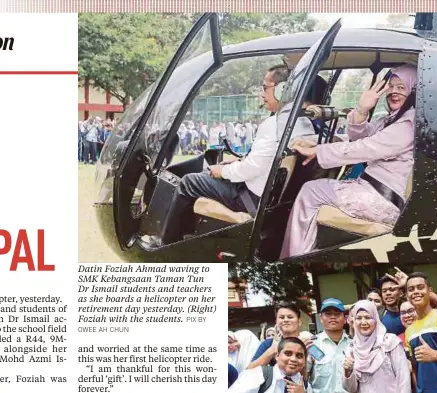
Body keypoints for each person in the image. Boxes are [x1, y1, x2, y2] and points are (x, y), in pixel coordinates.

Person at [157, 64, 326, 245]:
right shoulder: (304, 124)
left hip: (252, 198)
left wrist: (221, 171)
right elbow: (265, 160)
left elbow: (251, 169)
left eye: (265, 88)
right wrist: (237, 163)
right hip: (272, 198)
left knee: (189, 182)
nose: (262, 94)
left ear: (282, 90)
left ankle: (167, 242)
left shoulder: (274, 125)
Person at [280, 65, 417, 258]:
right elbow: (358, 137)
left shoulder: (408, 124)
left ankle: (296, 257)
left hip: (384, 198)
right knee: (313, 189)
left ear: (414, 91)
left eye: (401, 88)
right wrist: (362, 109)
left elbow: (365, 147)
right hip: (371, 189)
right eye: (391, 86)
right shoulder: (392, 119)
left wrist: (318, 151)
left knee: (310, 191)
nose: (394, 92)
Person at [342, 300, 411, 393]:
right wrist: (348, 371)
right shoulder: (351, 349)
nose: (363, 322)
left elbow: (403, 378)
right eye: (359, 318)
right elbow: (351, 389)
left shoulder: (389, 342)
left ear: (375, 319)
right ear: (354, 321)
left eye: (368, 317)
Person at [229, 337, 311, 393]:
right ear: (277, 356)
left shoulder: (304, 384)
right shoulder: (258, 375)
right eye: (288, 353)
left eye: (299, 356)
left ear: (304, 361)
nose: (293, 359)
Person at [304, 298, 351, 393]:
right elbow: (304, 377)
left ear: (345, 319)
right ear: (321, 318)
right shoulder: (312, 345)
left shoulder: (353, 344)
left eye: (337, 313)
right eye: (328, 314)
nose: (333, 317)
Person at [249, 302, 303, 369]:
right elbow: (249, 370)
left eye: (290, 317)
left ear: (299, 321)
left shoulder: (308, 342)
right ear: (276, 322)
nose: (285, 320)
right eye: (282, 317)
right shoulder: (268, 344)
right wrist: (272, 350)